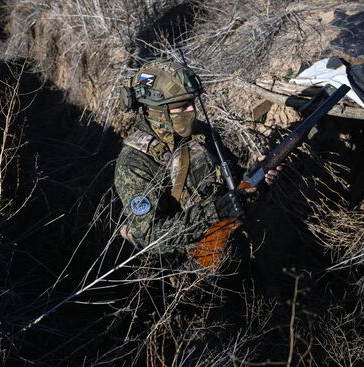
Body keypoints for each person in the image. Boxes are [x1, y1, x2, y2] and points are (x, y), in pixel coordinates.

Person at [114, 59, 280, 262]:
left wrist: (256, 179)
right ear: (158, 111)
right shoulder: (134, 163)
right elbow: (151, 235)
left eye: (192, 103)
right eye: (182, 107)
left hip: (235, 247)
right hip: (189, 269)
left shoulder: (201, 134)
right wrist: (216, 211)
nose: (191, 112)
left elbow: (233, 182)